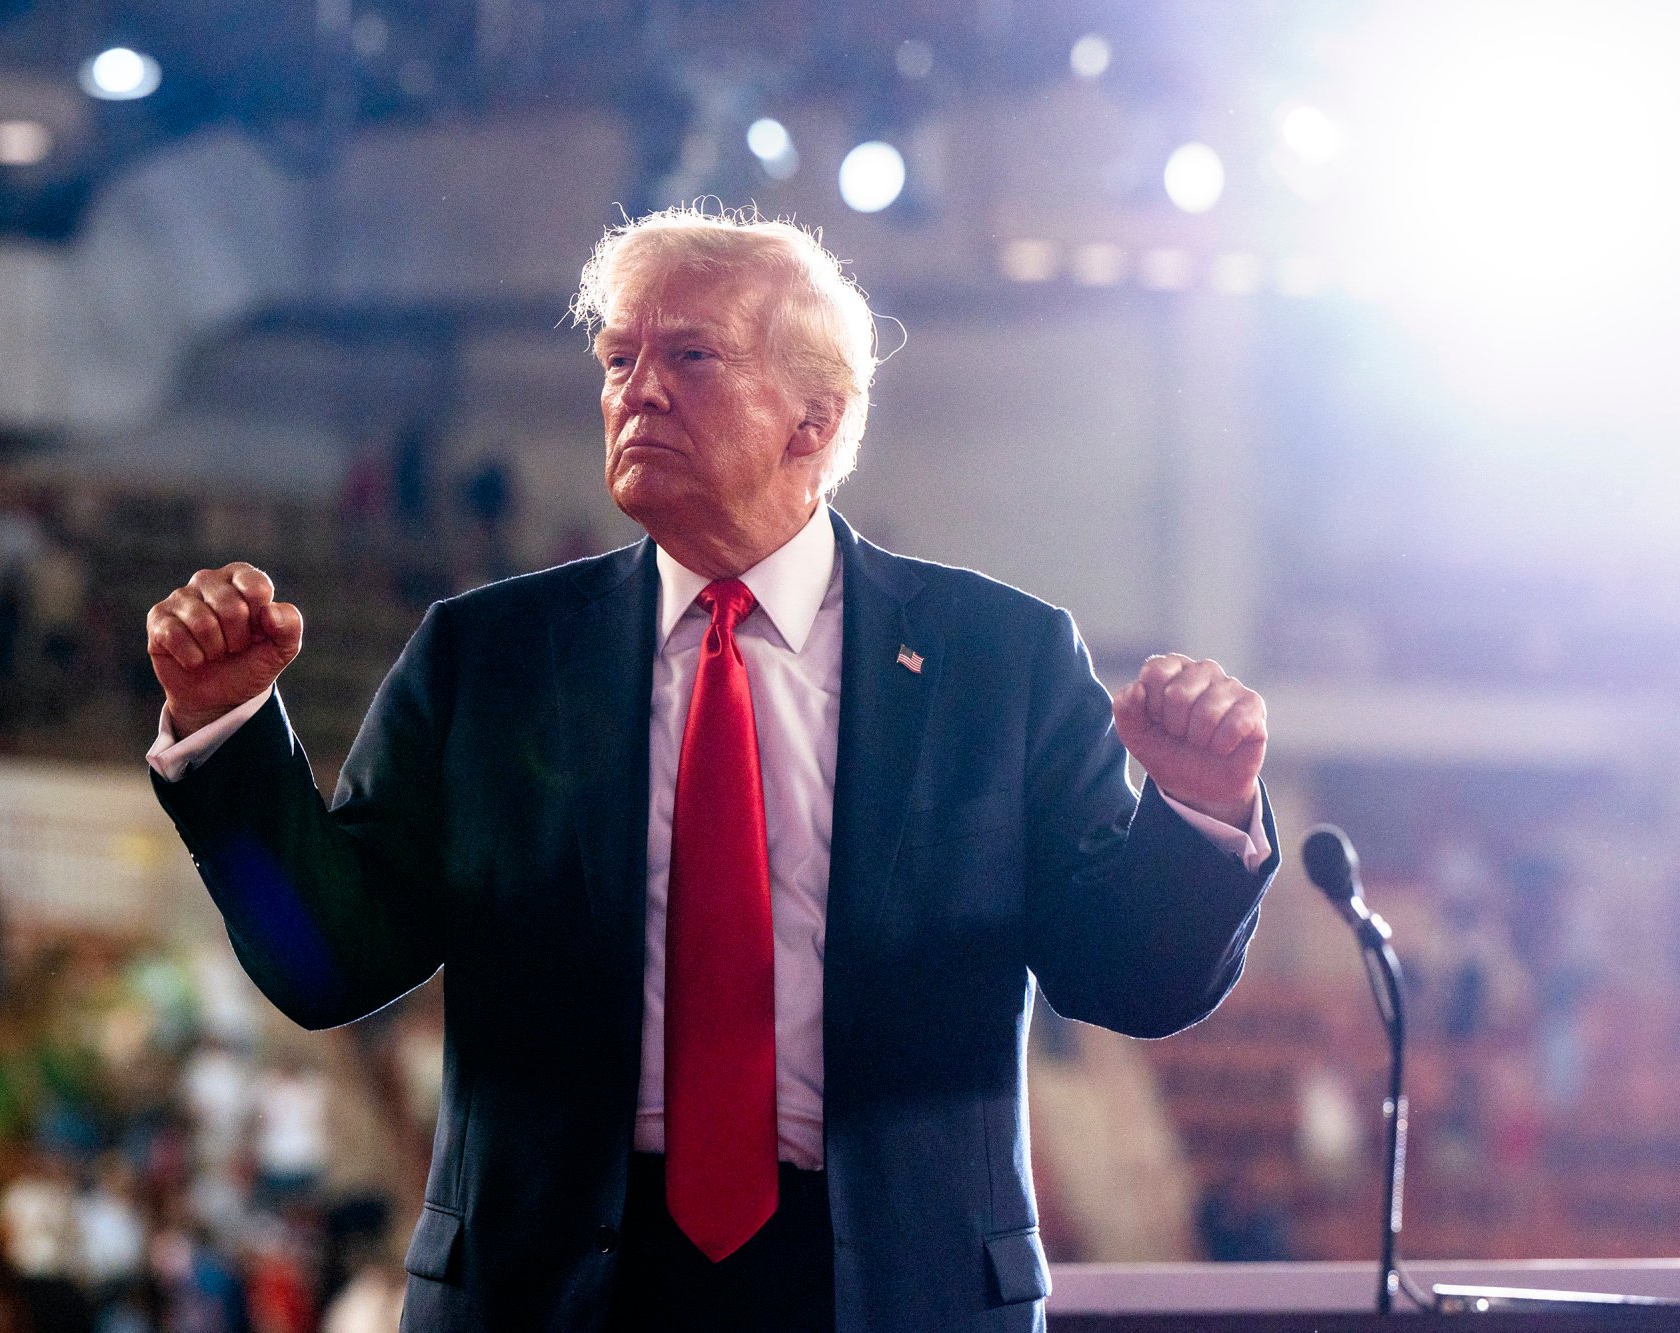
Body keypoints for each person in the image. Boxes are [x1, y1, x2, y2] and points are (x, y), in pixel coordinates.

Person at [144, 207, 1278, 1333]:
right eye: (618, 358)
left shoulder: (1002, 660)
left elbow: (1128, 978)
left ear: (812, 418)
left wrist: (1197, 810)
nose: (637, 390)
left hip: (890, 1286)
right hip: (550, 1286)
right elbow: (328, 962)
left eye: (689, 356)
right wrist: (230, 731)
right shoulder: (487, 656)